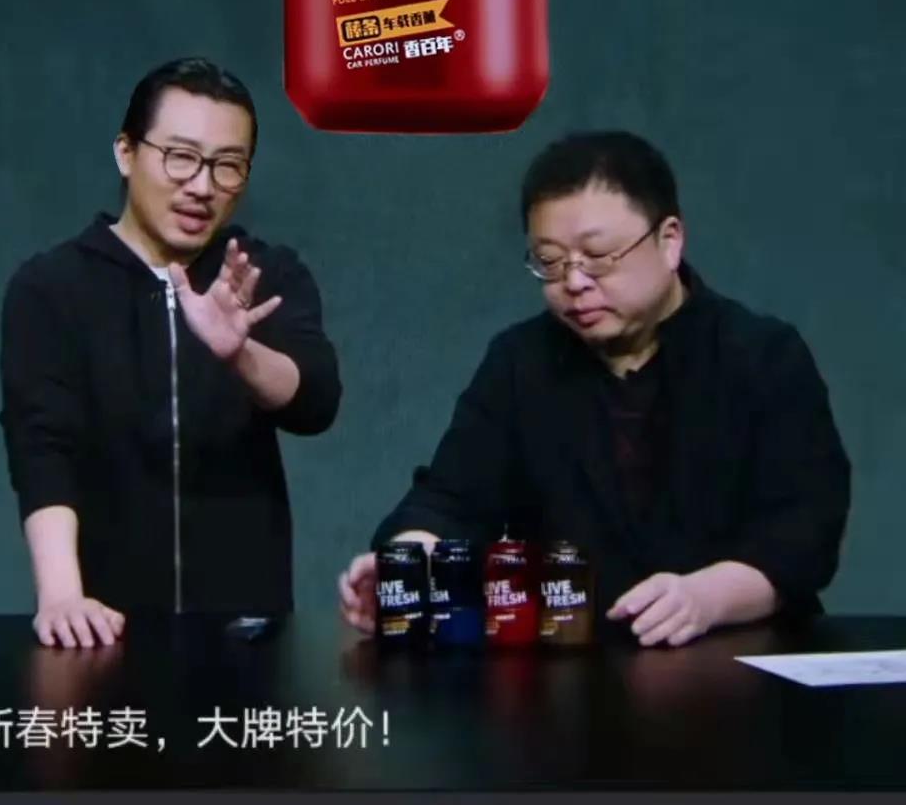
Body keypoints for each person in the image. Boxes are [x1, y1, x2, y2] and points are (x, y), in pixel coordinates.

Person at [339, 131, 851, 649]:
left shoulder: (763, 356)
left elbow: (805, 530)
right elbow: (451, 500)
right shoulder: (520, 362)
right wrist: (407, 566)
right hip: (573, 667)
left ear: (669, 240)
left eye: (599, 255)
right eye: (551, 261)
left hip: (744, 657)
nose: (575, 282)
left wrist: (707, 597)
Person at [0, 57, 341, 645]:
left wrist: (240, 355)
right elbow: (42, 446)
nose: (202, 187)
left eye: (227, 166)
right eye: (181, 157)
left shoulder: (260, 272)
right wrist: (62, 595)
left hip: (246, 632)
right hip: (102, 629)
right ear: (126, 152)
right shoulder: (50, 287)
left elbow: (315, 398)